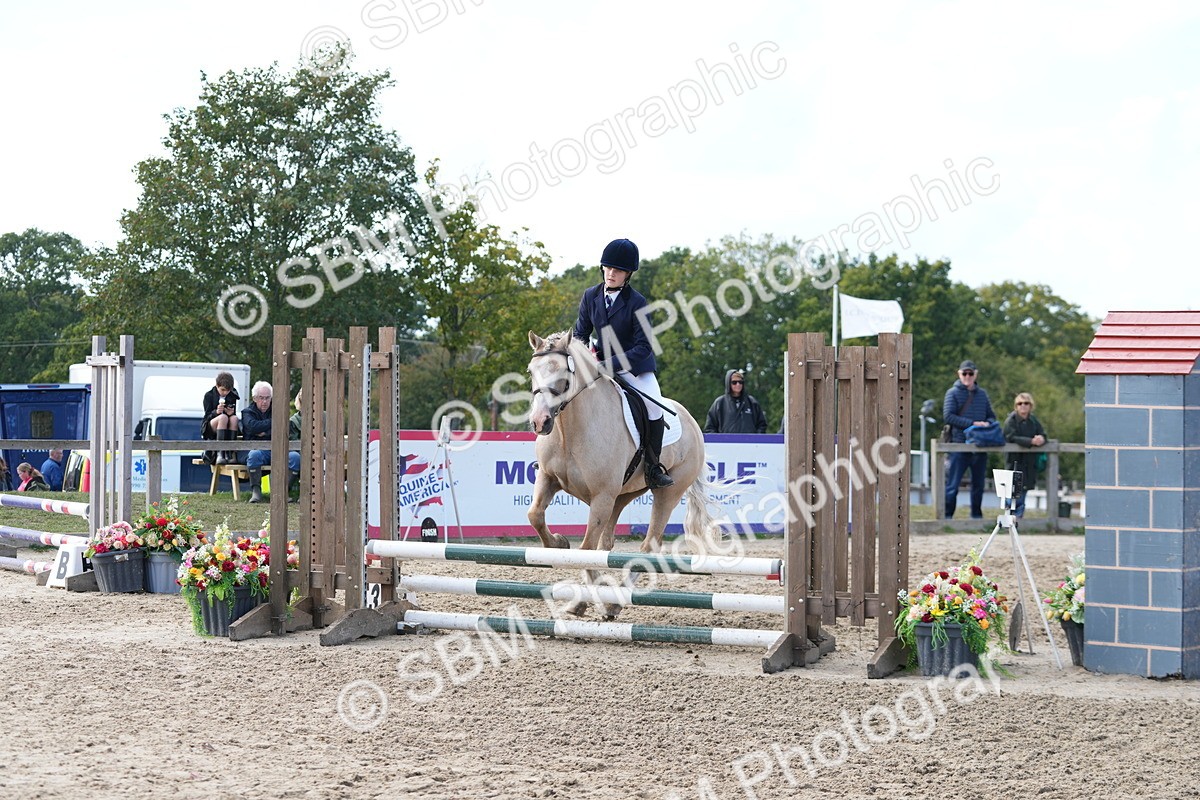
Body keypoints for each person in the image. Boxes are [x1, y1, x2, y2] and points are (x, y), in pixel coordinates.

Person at [572, 237, 673, 488]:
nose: (611, 274)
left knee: (654, 407)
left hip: (633, 368)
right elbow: (580, 334)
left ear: (628, 274)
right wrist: (584, 356)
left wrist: (608, 365)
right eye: (608, 268)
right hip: (597, 363)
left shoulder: (637, 302)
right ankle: (555, 455)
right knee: (566, 392)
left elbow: (643, 347)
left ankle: (653, 467)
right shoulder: (590, 296)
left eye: (617, 270)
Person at [942, 359, 996, 519]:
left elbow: (991, 416)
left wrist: (987, 424)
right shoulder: (952, 393)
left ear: (975, 375)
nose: (967, 376)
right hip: (959, 444)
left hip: (979, 444)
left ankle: (976, 517)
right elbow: (948, 416)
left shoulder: (982, 394)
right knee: (953, 484)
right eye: (964, 373)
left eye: (970, 373)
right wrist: (972, 424)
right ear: (959, 374)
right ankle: (947, 516)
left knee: (978, 484)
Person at [241, 381, 301, 503]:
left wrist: (264, 431)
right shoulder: (247, 412)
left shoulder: (278, 410)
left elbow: (284, 428)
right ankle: (256, 492)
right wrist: (273, 423)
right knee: (254, 455)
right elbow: (252, 427)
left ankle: (283, 492)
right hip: (257, 450)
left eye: (267, 398)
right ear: (254, 398)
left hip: (278, 449)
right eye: (261, 398)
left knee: (295, 457)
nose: (264, 401)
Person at [1003, 392, 1048, 518]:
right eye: (1020, 403)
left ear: (1030, 406)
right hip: (1014, 462)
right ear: (1016, 406)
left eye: (1026, 403)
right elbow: (1011, 437)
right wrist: (1030, 441)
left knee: (1023, 493)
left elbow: (1043, 434)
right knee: (1012, 495)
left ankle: (1018, 521)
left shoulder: (1033, 420)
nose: (1023, 406)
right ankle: (1009, 521)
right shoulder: (1011, 421)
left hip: (1029, 464)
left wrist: (1041, 439)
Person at [704, 370, 767, 434]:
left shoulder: (752, 402)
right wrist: (719, 439)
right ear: (728, 383)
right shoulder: (719, 403)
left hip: (749, 440)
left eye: (740, 382)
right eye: (734, 382)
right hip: (726, 440)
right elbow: (710, 427)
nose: (738, 384)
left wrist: (755, 438)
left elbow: (762, 425)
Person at [201, 372, 241, 465]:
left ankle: (230, 453)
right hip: (210, 426)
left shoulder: (232, 395)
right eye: (222, 390)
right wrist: (216, 412)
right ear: (217, 386)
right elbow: (207, 416)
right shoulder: (209, 396)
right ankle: (220, 453)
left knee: (234, 418)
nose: (225, 393)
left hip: (226, 424)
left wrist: (230, 413)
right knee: (223, 418)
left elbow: (232, 414)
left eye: (228, 390)